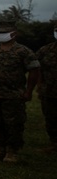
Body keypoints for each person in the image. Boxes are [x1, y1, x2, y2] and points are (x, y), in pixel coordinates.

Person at [0, 23, 39, 163]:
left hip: (13, 94)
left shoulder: (23, 51)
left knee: (14, 123)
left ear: (14, 34)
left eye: (4, 32)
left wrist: (29, 91)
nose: (0, 35)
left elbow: (34, 71)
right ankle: (0, 148)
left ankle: (12, 151)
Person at [37, 22, 57, 153]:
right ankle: (54, 143)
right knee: (51, 118)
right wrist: (39, 86)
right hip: (50, 91)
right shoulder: (46, 50)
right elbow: (37, 69)